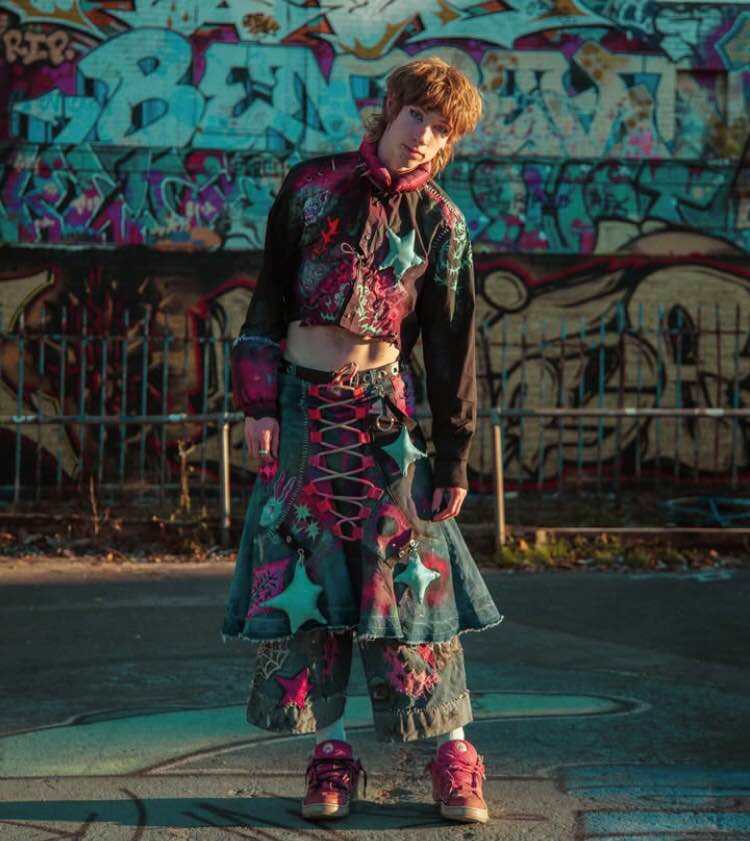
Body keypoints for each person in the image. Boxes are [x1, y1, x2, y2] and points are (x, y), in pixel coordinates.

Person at [222, 56, 503, 824]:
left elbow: (451, 349)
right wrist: (258, 402)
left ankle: (454, 751)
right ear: (390, 110)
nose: (425, 138)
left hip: (383, 421)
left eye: (442, 132)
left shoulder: (443, 223)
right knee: (312, 585)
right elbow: (269, 298)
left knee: (415, 583)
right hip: (302, 410)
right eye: (418, 117)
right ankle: (332, 752)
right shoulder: (311, 188)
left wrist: (453, 456)